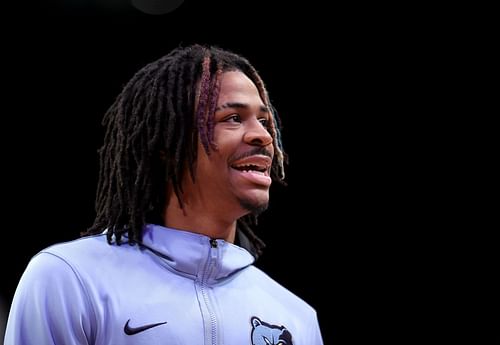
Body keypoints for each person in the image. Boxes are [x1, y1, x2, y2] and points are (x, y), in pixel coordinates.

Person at [4, 44, 323, 345]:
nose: (263, 136)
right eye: (234, 118)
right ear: (167, 147)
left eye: (265, 121)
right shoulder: (70, 279)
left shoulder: (294, 318)